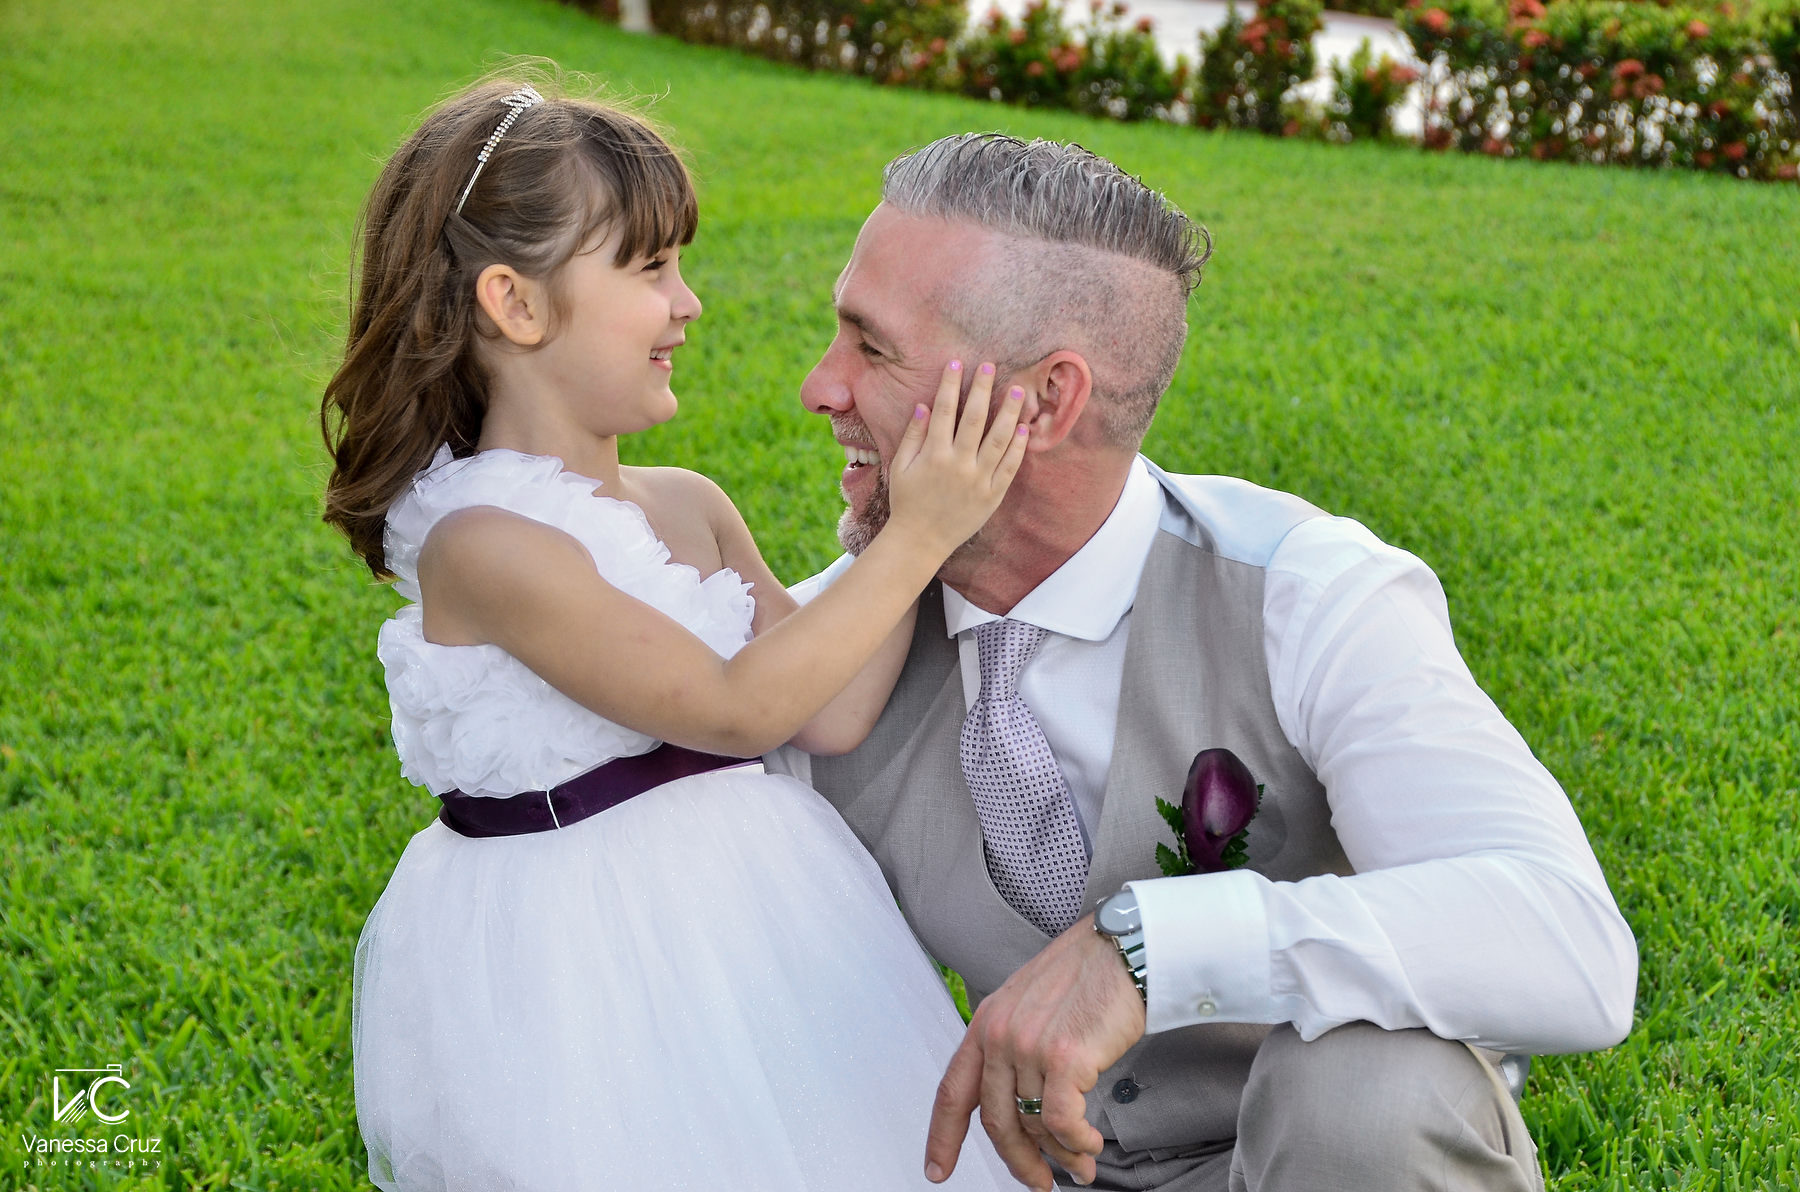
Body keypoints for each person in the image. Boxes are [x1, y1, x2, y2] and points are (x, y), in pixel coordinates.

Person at [773, 134, 1639, 1192]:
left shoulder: (1306, 592)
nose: (821, 387)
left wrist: (1152, 947)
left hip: (1300, 1168)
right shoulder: (814, 656)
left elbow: (1570, 942)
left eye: (873, 348)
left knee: (1372, 1098)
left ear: (1043, 403)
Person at [318, 78, 1031, 1191]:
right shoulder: (483, 543)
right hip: (584, 968)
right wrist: (920, 536)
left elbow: (829, 705)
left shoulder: (688, 502)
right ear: (516, 304)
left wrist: (903, 522)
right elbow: (737, 704)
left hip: (764, 921)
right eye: (650, 270)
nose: (688, 303)